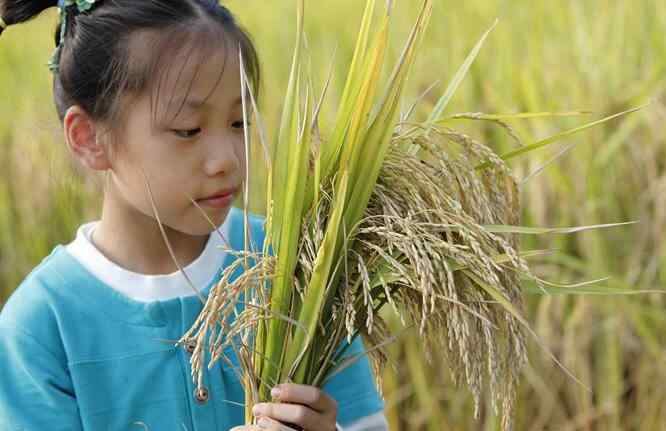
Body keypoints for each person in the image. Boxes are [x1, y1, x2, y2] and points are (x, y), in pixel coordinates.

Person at [0, 1, 389, 430]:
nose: (226, 160)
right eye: (188, 130)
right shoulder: (42, 328)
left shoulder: (293, 267)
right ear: (90, 137)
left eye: (240, 122)